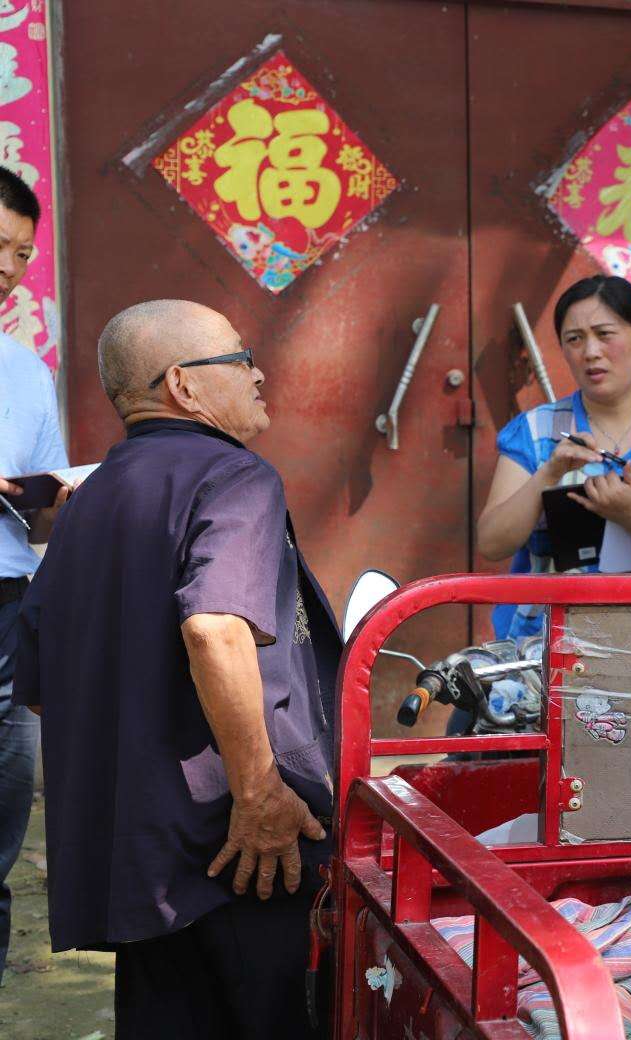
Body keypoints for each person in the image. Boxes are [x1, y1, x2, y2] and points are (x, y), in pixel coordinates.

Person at [13, 300, 340, 1038]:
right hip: (237, 845)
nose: (258, 374)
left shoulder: (86, 500)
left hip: (140, 852)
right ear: (184, 384)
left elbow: (40, 687)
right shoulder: (233, 476)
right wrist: (258, 793)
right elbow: (214, 628)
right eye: (240, 358)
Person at [479, 275, 631, 645]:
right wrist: (549, 473)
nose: (591, 351)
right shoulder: (535, 430)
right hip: (542, 644)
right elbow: (492, 543)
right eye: (574, 339)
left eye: (604, 334)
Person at [0, 166, 64, 987]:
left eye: (21, 253)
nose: (7, 267)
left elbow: (42, 515)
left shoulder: (25, 371)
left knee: (4, 816)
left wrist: (61, 504)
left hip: (7, 608)